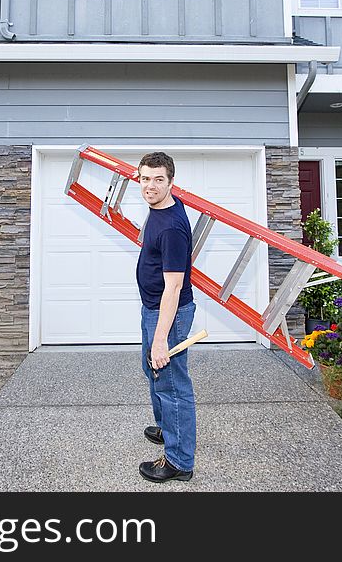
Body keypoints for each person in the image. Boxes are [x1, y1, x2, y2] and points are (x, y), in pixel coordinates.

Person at [135, 151, 196, 483]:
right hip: (153, 309)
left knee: (172, 384)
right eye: (145, 178)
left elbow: (173, 287)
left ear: (171, 182)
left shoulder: (172, 227)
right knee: (152, 370)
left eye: (159, 179)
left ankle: (179, 461)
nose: (151, 186)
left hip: (167, 312)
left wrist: (161, 339)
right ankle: (167, 427)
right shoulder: (159, 209)